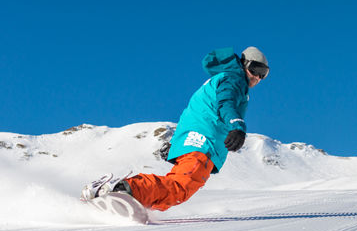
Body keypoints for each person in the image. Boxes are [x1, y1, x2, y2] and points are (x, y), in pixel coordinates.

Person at [82, 46, 269, 210]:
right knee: (182, 186)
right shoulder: (233, 79)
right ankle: (124, 190)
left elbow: (197, 113)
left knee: (179, 189)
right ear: (244, 64)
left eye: (264, 73)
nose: (259, 77)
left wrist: (177, 143)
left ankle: (127, 197)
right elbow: (226, 103)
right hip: (206, 142)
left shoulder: (222, 79)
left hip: (196, 138)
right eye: (256, 69)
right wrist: (237, 125)